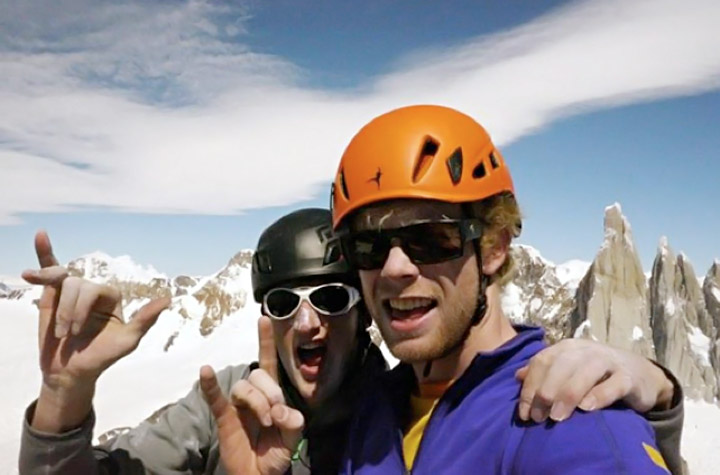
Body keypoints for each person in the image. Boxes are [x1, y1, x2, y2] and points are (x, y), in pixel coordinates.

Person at [19, 212, 681, 474]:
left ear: (363, 310)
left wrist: (656, 391)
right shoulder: (223, 408)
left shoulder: (402, 407)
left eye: (331, 298)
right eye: (284, 303)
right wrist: (64, 397)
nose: (307, 323)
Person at [322, 105, 683, 474]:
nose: (394, 267)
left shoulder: (566, 413)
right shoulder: (373, 411)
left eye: (431, 238)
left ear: (494, 247)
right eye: (367, 246)